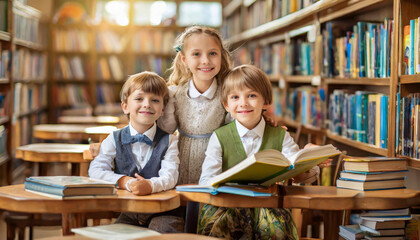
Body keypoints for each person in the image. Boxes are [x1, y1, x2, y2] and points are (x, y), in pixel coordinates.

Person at [198, 65, 327, 239]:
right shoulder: (219, 137)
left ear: (265, 101)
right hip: (228, 204)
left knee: (276, 230)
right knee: (222, 226)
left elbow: (296, 169)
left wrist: (311, 160)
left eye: (251, 95)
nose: (243, 103)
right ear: (226, 105)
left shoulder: (280, 135)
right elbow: (206, 180)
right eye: (235, 97)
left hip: (268, 205)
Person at [156, 26, 233, 232]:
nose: (205, 61)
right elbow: (166, 130)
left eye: (212, 54)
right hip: (180, 163)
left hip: (217, 166)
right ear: (184, 59)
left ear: (221, 57)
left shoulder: (229, 93)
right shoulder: (175, 93)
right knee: (177, 218)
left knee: (210, 221)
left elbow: (236, 130)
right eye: (196, 54)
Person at [88, 71, 183, 233]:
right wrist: (124, 181)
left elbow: (170, 177)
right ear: (125, 106)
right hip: (129, 211)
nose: (147, 104)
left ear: (162, 110)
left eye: (155, 100)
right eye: (139, 99)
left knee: (162, 233)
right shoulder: (113, 138)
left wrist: (150, 186)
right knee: (115, 234)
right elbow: (95, 170)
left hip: (163, 212)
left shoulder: (170, 141)